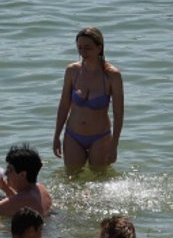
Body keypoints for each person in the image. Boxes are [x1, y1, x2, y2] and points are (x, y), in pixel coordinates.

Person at [52, 27, 125, 174]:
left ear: (99, 48)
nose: (83, 52)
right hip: (73, 135)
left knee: (100, 180)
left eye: (88, 48)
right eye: (80, 48)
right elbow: (64, 105)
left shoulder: (112, 75)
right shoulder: (72, 71)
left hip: (100, 137)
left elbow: (118, 113)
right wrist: (56, 136)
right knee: (71, 179)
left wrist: (114, 144)